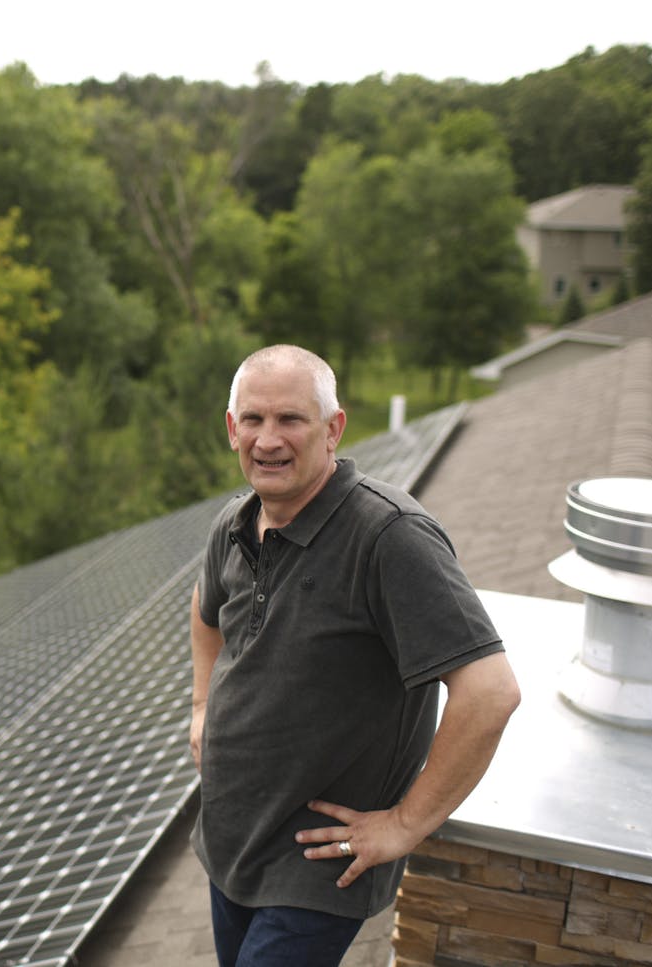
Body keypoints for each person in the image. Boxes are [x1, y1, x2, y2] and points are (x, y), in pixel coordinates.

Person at [190, 345, 521, 966]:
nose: (268, 440)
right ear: (231, 428)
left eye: (291, 419)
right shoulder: (234, 524)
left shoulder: (388, 536)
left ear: (333, 428)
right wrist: (202, 704)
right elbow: (204, 609)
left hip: (314, 869)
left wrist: (404, 823)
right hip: (229, 839)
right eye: (253, 420)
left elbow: (491, 693)